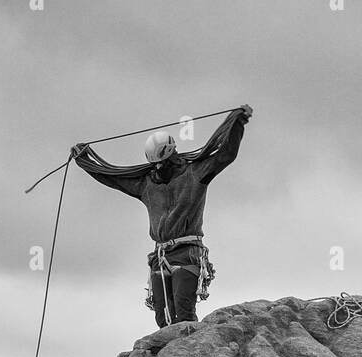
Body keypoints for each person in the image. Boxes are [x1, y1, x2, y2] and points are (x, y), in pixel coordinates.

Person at [71, 105, 253, 327]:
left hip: (187, 253)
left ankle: (189, 353)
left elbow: (225, 155)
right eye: (154, 164)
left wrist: (238, 124)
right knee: (162, 318)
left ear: (171, 156)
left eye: (161, 163)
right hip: (161, 256)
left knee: (183, 312)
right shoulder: (147, 184)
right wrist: (84, 161)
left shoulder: (195, 173)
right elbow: (113, 178)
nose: (157, 168)